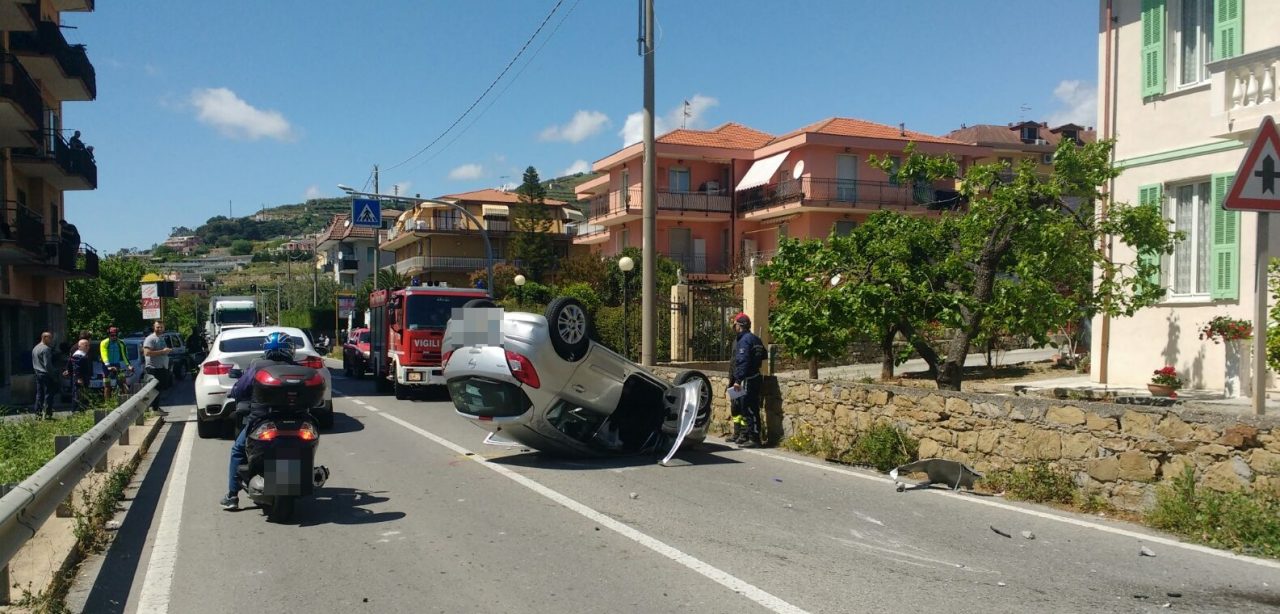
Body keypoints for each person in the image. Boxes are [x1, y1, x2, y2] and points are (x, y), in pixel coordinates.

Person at [221, 331, 298, 510]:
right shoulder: (296, 368)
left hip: (262, 420)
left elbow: (240, 390)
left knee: (238, 450)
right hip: (295, 421)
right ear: (289, 350)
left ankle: (232, 496)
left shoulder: (257, 366)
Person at [728, 313, 767, 448]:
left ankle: (753, 437)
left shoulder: (744, 340)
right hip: (751, 376)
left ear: (740, 326)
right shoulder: (755, 339)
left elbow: (742, 362)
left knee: (749, 407)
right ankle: (741, 434)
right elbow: (764, 355)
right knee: (739, 406)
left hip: (746, 379)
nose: (735, 327)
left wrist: (738, 380)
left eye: (736, 325)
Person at [142, 321, 174, 414]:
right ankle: (154, 409)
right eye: (157, 327)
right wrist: (162, 352)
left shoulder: (161, 338)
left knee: (159, 389)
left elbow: (162, 351)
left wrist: (167, 351)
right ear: (154, 327)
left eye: (161, 327)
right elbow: (147, 353)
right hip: (153, 368)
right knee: (155, 389)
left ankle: (156, 408)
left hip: (162, 367)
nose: (159, 329)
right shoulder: (150, 339)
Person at [99, 326, 132, 399]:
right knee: (107, 385)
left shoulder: (121, 343)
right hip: (106, 365)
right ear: (109, 335)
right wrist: (108, 366)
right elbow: (104, 355)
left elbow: (124, 355)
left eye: (116, 335)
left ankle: (123, 400)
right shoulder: (104, 342)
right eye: (112, 335)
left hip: (117, 364)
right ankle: (108, 403)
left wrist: (128, 365)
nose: (114, 337)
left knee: (122, 382)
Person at [63, 339, 93, 410]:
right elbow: (77, 368)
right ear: (80, 346)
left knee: (82, 395)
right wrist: (79, 378)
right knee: (78, 395)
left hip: (82, 377)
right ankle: (76, 411)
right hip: (80, 379)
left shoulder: (81, 354)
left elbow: (70, 365)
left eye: (88, 345)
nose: (88, 347)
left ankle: (81, 410)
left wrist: (68, 371)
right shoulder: (79, 355)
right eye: (86, 345)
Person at [32, 331, 56, 418]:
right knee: (48, 394)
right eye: (50, 338)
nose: (51, 340)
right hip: (46, 374)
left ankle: (37, 413)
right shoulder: (46, 349)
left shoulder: (35, 348)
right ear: (44, 338)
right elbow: (47, 364)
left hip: (38, 373)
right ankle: (48, 413)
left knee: (39, 394)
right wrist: (53, 375)